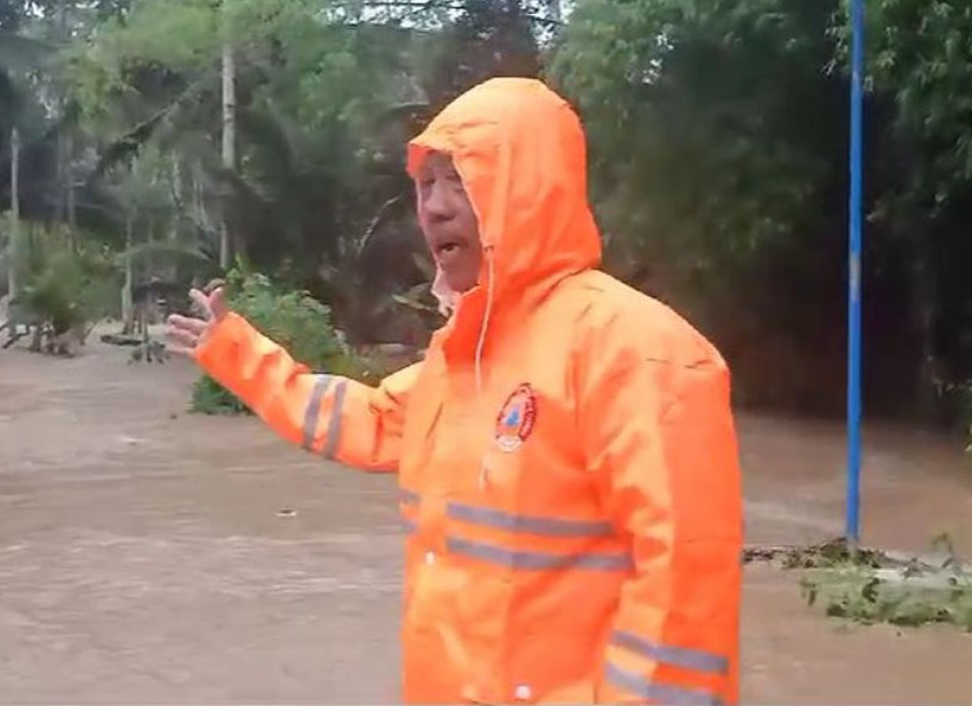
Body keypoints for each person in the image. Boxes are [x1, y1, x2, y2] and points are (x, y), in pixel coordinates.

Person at [166, 77, 743, 705]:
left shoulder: (636, 350)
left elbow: (684, 591)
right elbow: (366, 420)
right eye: (425, 184)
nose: (435, 207)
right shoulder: (466, 353)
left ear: (526, 189)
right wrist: (235, 353)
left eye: (461, 178)